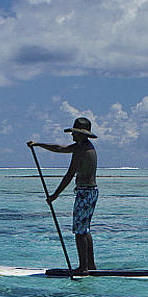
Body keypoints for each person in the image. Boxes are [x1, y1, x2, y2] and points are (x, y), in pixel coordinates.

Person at [28, 116, 99, 274]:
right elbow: (60, 148)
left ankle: (83, 268)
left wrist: (55, 195)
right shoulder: (85, 146)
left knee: (79, 231)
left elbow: (69, 175)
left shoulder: (81, 150)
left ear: (82, 134)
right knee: (85, 229)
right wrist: (38, 145)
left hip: (85, 193)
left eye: (75, 132)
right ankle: (90, 265)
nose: (72, 135)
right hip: (91, 192)